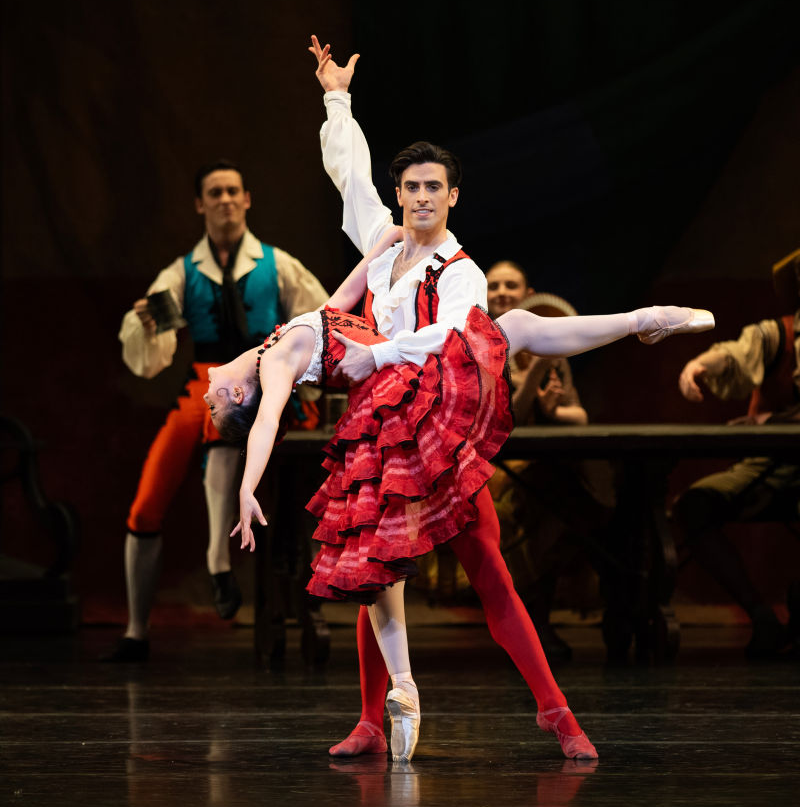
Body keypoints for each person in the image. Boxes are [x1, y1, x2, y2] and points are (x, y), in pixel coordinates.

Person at [209, 234, 712, 760]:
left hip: (418, 412)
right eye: (215, 405)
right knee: (379, 579)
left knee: (482, 570)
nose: (205, 394)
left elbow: (342, 295)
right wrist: (247, 486)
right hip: (399, 426)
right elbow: (266, 422)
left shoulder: (284, 339)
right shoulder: (274, 365)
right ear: (238, 393)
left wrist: (382, 236)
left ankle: (551, 709)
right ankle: (378, 717)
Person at [104, 159, 328, 662]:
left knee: (294, 470)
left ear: (247, 199)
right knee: (147, 500)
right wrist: (146, 325)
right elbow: (146, 346)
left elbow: (321, 318)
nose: (225, 200)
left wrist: (301, 373)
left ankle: (224, 562)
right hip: (204, 383)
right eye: (215, 193)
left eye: (232, 191)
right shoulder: (182, 273)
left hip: (268, 379)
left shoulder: (278, 265)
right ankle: (136, 630)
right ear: (200, 204)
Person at [484, 260, 619, 662]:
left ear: (528, 295)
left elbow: (579, 416)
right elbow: (511, 418)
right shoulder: (481, 346)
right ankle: (534, 622)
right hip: (500, 466)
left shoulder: (552, 350)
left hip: (550, 465)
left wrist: (554, 409)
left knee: (577, 497)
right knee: (552, 501)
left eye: (511, 285)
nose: (502, 292)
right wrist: (537, 374)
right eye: (494, 286)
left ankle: (605, 604)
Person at [673, 246, 800, 659]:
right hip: (771, 463)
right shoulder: (777, 333)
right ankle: (761, 615)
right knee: (694, 506)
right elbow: (733, 355)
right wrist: (699, 366)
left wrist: (777, 421)